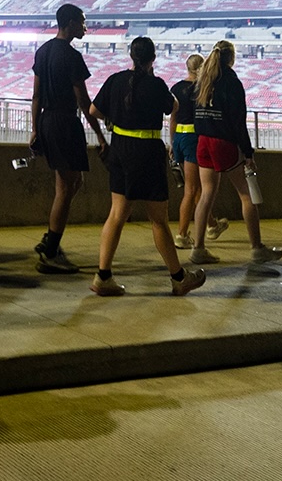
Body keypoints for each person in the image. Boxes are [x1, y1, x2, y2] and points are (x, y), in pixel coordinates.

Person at [87, 37, 204, 297]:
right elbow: (173, 106)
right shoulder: (156, 84)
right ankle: (179, 278)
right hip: (147, 153)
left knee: (117, 214)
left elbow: (93, 110)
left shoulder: (115, 80)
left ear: (131, 56)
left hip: (120, 149)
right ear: (153, 58)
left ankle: (103, 276)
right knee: (158, 220)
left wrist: (113, 118)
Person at [188, 40, 280, 265]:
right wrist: (248, 152)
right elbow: (238, 122)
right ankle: (257, 248)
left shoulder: (203, 81)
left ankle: (198, 248)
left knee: (206, 195)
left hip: (202, 141)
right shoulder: (232, 82)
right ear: (231, 58)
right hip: (223, 142)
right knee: (245, 194)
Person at [30, 3, 100, 274]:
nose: (85, 27)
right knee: (64, 188)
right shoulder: (71, 57)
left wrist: (35, 129)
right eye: (82, 22)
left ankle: (51, 237)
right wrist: (100, 135)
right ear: (70, 23)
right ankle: (50, 251)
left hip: (47, 121)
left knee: (74, 182)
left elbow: (36, 96)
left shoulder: (43, 51)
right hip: (65, 123)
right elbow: (83, 101)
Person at [170, 53, 207, 243]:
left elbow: (173, 118)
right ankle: (182, 234)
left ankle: (212, 224)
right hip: (194, 138)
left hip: (179, 137)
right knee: (191, 190)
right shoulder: (203, 89)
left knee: (195, 187)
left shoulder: (176, 88)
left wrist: (172, 142)